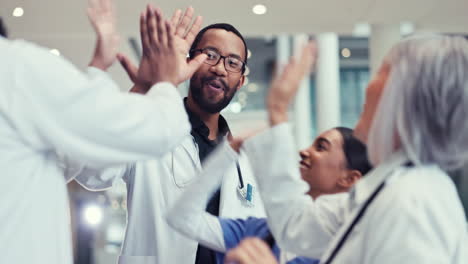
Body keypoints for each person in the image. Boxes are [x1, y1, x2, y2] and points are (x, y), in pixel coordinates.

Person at [0, 0, 208, 263]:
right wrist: (164, 80)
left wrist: (101, 70)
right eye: (209, 56)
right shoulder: (16, 67)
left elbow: (66, 156)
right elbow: (162, 130)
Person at [235, 34, 468, 263]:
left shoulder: (412, 202)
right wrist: (278, 109)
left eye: (383, 71)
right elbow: (294, 226)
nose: (368, 86)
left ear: (409, 99)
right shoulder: (388, 188)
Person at [71, 10, 265, 264]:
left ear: (240, 81)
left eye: (232, 62)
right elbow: (92, 172)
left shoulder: (246, 162)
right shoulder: (151, 126)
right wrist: (143, 88)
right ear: (188, 61)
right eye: (210, 55)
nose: (219, 68)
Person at [165, 122, 371, 264]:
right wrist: (229, 152)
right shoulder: (262, 231)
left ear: (350, 179)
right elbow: (182, 217)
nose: (304, 151)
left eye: (321, 147)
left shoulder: (346, 251)